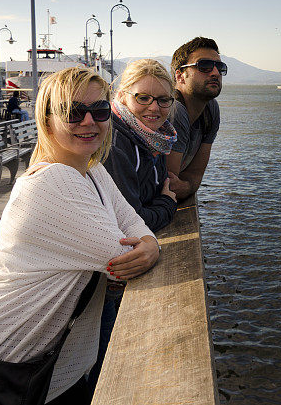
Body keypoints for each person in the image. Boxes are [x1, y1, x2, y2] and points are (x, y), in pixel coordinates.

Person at [0, 67, 160, 404]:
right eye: (73, 112)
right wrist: (145, 246)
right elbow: (120, 256)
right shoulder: (54, 182)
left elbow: (135, 224)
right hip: (7, 355)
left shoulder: (91, 169)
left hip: (50, 359)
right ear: (48, 120)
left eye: (99, 110)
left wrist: (150, 245)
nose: (89, 121)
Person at [87, 59, 178, 392]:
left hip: (115, 280)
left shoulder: (153, 139)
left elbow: (140, 204)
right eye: (143, 98)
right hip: (104, 284)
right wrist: (167, 204)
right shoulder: (117, 143)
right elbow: (133, 218)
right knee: (108, 378)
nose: (154, 107)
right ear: (122, 97)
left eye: (163, 100)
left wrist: (158, 200)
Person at [166, 37, 224, 200]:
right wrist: (187, 185)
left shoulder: (211, 110)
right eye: (204, 66)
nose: (215, 73)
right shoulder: (174, 111)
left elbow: (194, 176)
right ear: (180, 76)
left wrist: (188, 186)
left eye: (220, 67)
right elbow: (170, 186)